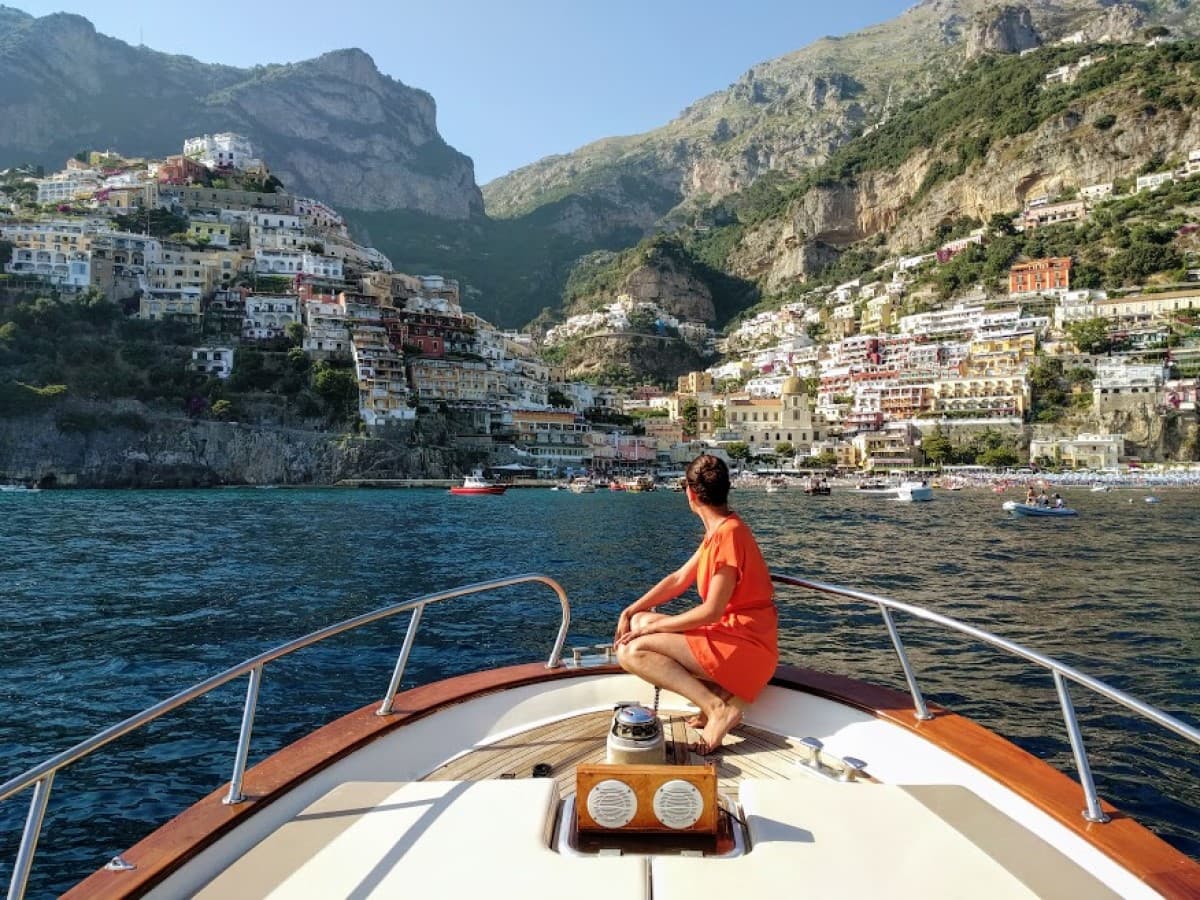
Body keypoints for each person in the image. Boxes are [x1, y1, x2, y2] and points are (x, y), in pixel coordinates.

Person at [614, 454, 778, 754]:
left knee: (631, 650)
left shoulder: (728, 536)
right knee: (640, 622)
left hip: (748, 648)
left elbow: (711, 611)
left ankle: (717, 708)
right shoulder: (721, 530)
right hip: (736, 635)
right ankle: (717, 693)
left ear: (690, 493)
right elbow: (679, 579)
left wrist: (652, 628)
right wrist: (631, 610)